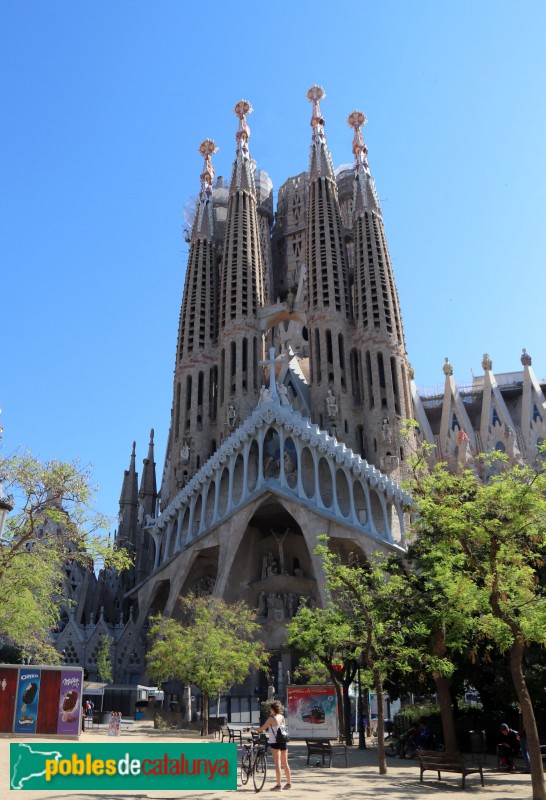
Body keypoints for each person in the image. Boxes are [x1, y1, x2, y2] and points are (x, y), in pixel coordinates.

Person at [255, 700, 292, 791]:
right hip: (283, 741)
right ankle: (289, 783)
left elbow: (262, 729)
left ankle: (278, 785)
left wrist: (255, 729)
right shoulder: (282, 717)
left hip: (275, 742)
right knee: (285, 763)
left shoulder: (271, 718)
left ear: (272, 709)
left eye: (270, 709)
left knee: (277, 764)